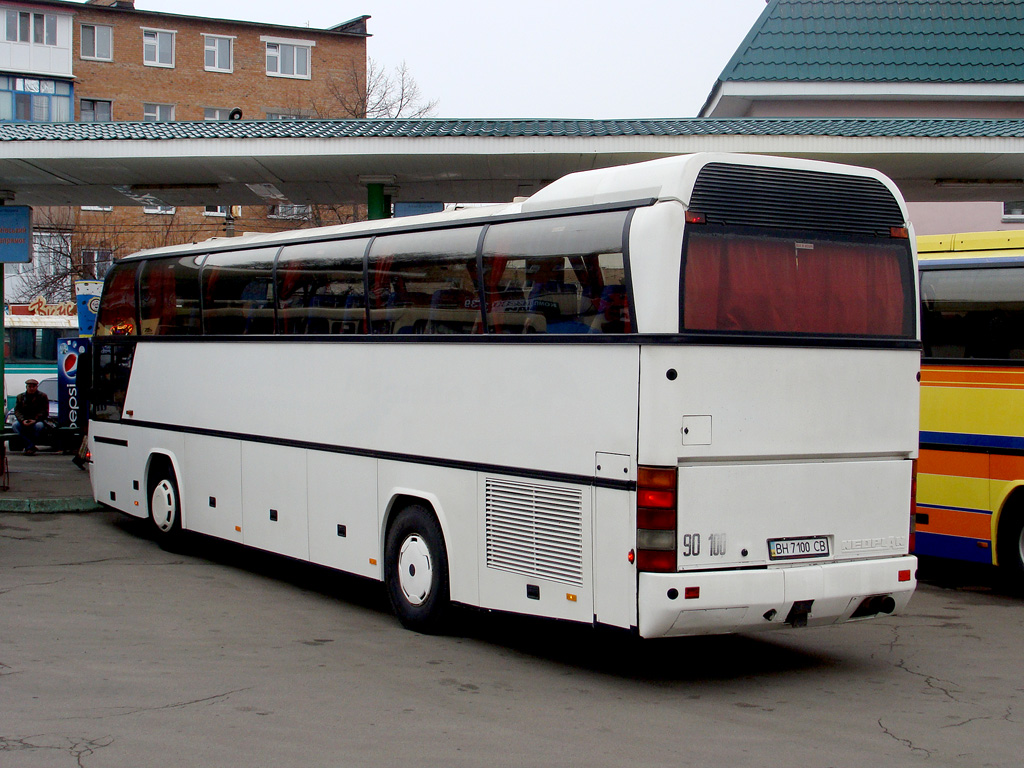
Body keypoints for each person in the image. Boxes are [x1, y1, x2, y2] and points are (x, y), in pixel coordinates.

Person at [13, 378, 49, 456]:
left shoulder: (42, 396)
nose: (31, 388)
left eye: (33, 386)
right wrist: (22, 420)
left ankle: (29, 447)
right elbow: (17, 411)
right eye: (30, 386)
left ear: (37, 387)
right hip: (23, 420)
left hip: (37, 420)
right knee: (15, 425)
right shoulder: (20, 397)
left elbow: (44, 411)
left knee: (39, 426)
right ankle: (30, 446)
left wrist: (35, 420)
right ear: (26, 387)